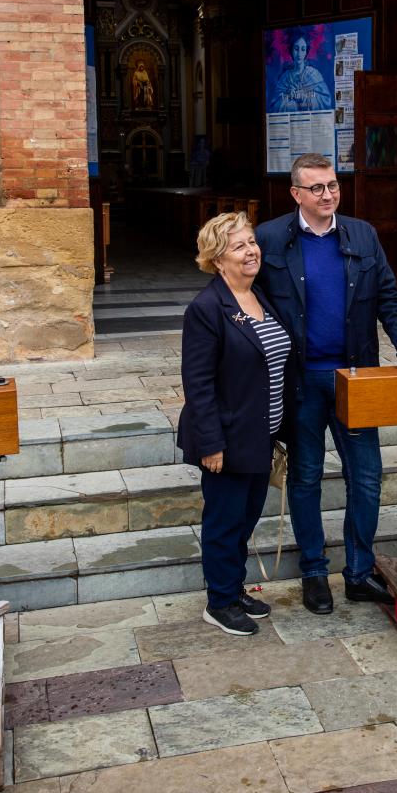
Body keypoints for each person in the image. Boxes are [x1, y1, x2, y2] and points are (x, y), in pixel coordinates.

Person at [255, 153, 397, 614]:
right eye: (317, 188)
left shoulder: (362, 234)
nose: (328, 195)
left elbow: (389, 296)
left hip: (357, 377)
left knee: (366, 477)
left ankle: (358, 572)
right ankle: (314, 572)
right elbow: (249, 304)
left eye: (333, 185)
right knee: (307, 478)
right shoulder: (270, 238)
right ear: (296, 194)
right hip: (302, 382)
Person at [177, 213, 293, 636]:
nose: (251, 251)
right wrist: (211, 444)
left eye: (252, 242)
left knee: (245, 519)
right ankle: (219, 601)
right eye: (239, 246)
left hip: (262, 434)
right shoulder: (208, 309)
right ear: (216, 258)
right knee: (224, 523)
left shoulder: (261, 296)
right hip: (226, 438)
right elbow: (199, 383)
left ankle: (234, 586)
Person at [271, 33, 332, 113]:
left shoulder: (313, 74)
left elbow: (325, 101)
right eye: (296, 49)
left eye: (303, 49)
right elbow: (274, 106)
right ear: (291, 50)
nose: (299, 54)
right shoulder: (285, 78)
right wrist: (288, 97)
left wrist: (303, 97)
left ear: (306, 52)